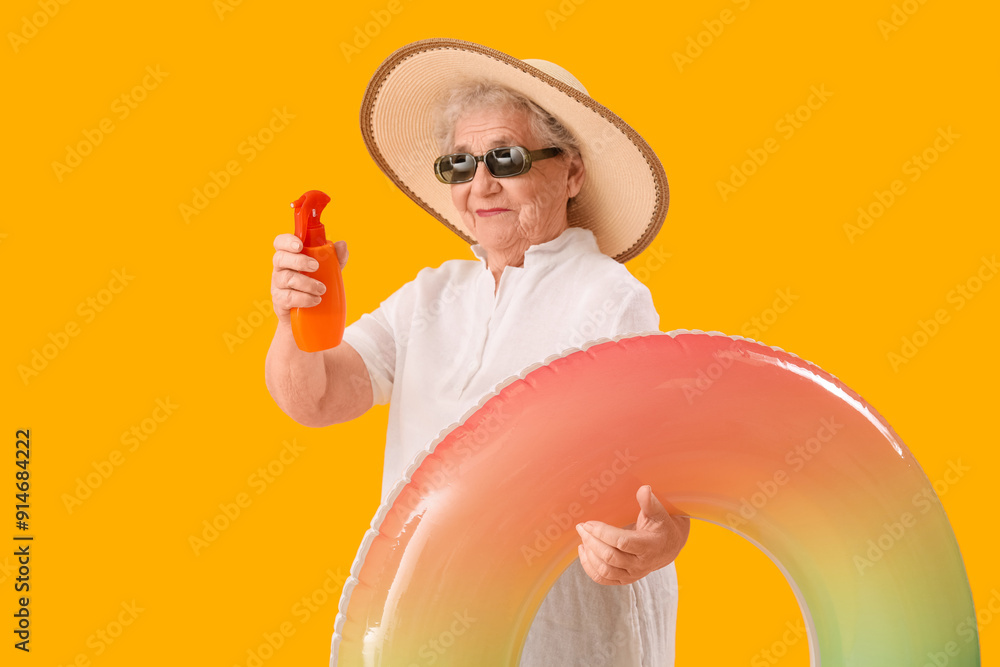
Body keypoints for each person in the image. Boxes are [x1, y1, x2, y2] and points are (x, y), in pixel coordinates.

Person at [264, 38, 689, 666]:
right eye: (460, 165)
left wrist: (659, 539)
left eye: (505, 158)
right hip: (424, 629)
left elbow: (662, 475)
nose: (480, 184)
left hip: (555, 636)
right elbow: (317, 396)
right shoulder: (430, 296)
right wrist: (292, 318)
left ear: (571, 173)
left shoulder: (606, 297)